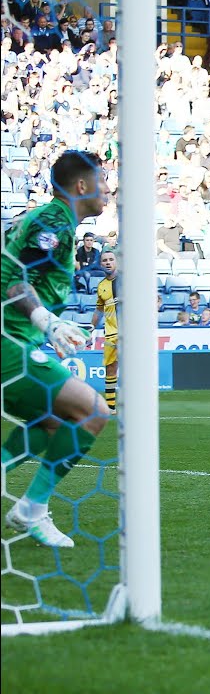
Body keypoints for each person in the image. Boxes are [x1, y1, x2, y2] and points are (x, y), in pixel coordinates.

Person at [0, 151, 111, 548]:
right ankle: (31, 508)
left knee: (54, 422)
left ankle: (31, 508)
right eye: (102, 181)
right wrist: (47, 321)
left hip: (16, 339)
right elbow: (17, 283)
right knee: (93, 411)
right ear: (82, 186)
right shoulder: (53, 221)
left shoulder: (53, 219)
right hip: (8, 341)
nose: (107, 191)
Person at [90, 249, 118, 412]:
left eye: (110, 259)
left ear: (117, 262)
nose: (108, 262)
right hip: (111, 334)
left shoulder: (127, 281)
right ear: (101, 264)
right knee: (110, 368)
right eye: (104, 260)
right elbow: (98, 310)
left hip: (129, 334)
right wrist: (91, 328)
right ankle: (111, 407)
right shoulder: (101, 286)